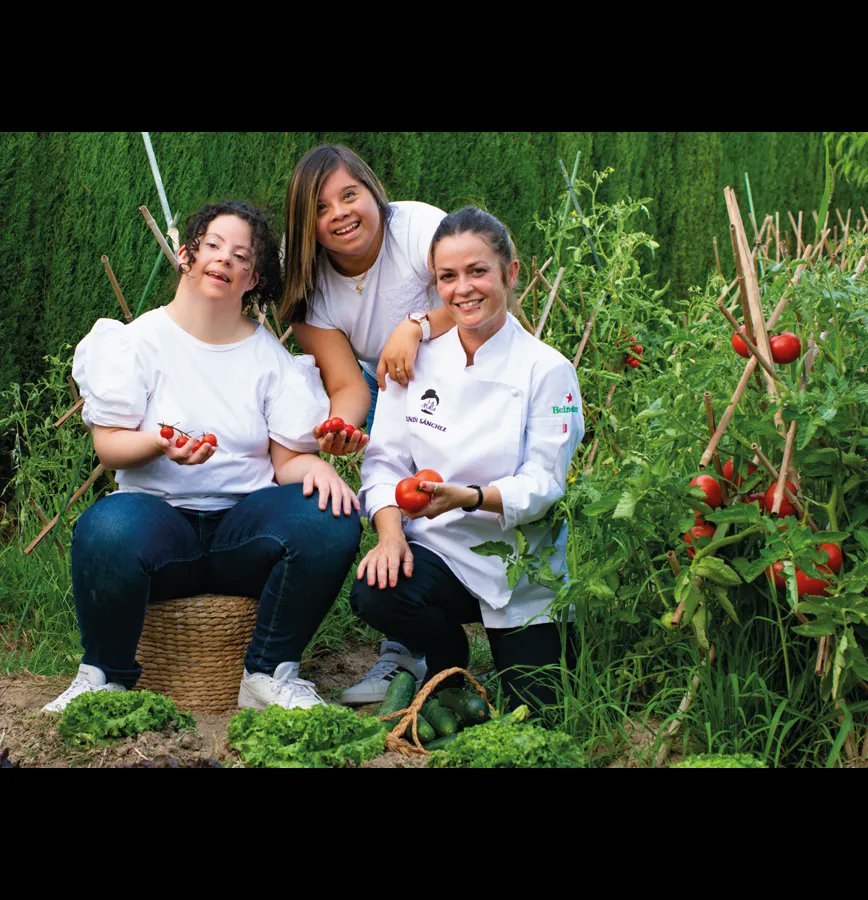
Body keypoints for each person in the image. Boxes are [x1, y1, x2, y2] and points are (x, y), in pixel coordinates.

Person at [43, 200, 361, 714]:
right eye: (213, 246)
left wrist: (318, 465)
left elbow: (286, 463)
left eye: (241, 256)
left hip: (244, 534)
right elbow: (110, 444)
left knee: (332, 516)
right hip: (157, 525)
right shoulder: (138, 342)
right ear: (188, 255)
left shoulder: (269, 360)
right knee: (105, 527)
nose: (225, 260)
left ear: (253, 278)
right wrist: (158, 443)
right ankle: (104, 675)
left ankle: (269, 674)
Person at [350, 206, 585, 709]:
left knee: (543, 711)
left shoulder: (548, 371)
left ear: (510, 272)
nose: (463, 289)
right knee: (375, 589)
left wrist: (471, 497)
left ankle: (528, 643)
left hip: (521, 568)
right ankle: (447, 656)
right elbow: (384, 462)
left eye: (478, 271)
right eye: (448, 277)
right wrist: (390, 537)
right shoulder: (414, 359)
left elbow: (544, 484)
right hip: (441, 551)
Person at [280, 144, 455, 703]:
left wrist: (418, 325)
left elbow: (482, 290)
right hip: (395, 392)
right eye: (321, 208)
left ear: (373, 191)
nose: (339, 213)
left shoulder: (421, 228)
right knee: (402, 506)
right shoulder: (308, 279)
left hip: (469, 377)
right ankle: (403, 654)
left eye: (348, 194)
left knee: (461, 507)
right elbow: (350, 384)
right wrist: (339, 428)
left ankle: (513, 623)